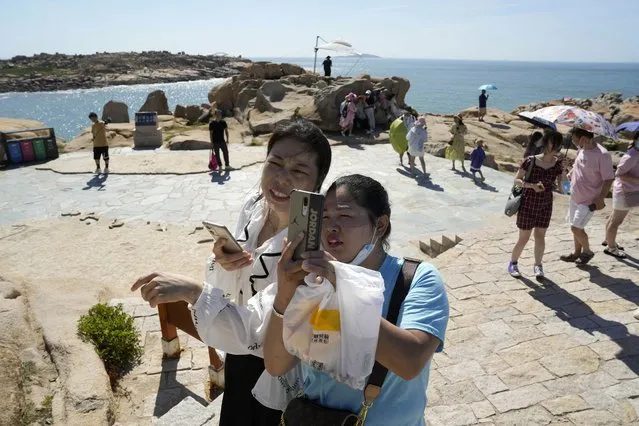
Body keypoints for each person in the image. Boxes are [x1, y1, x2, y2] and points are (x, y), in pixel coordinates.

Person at [131, 119, 332, 426]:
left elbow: (262, 330)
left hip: (276, 369)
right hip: (237, 354)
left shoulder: (310, 247)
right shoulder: (255, 207)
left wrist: (193, 291)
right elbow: (233, 288)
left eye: (298, 171)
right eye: (275, 164)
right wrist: (226, 262)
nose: (281, 178)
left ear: (317, 184)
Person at [264, 174, 449, 426]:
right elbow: (276, 365)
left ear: (380, 225)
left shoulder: (416, 278)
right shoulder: (313, 282)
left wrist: (344, 286)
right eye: (325, 217)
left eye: (345, 217)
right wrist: (285, 292)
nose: (331, 227)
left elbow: (410, 362)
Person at [508, 130, 566, 278]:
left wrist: (564, 171)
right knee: (524, 237)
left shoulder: (558, 164)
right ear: (546, 142)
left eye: (558, 143)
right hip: (528, 203)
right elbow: (517, 180)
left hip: (545, 203)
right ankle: (513, 263)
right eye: (553, 142)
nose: (555, 146)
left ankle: (538, 266)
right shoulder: (530, 160)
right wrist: (532, 186)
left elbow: (563, 189)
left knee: (540, 236)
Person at [560, 128, 615, 265]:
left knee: (576, 227)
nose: (572, 142)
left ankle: (588, 251)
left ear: (583, 139)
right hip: (574, 196)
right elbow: (579, 163)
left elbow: (608, 179)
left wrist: (601, 198)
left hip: (588, 200)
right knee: (576, 227)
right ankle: (576, 253)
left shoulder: (602, 155)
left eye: (574, 139)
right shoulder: (582, 149)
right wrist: (571, 171)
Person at [603, 134, 639, 258]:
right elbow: (619, 174)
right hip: (624, 192)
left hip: (629, 191)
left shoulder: (635, 153)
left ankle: (608, 240)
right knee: (616, 221)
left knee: (615, 218)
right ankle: (611, 248)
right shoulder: (632, 156)